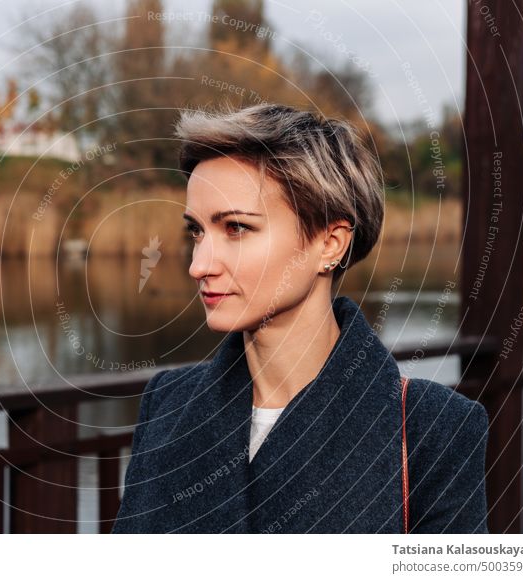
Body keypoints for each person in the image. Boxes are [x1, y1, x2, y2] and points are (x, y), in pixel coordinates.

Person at [111, 103, 489, 534]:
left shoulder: (431, 428)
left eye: (236, 228)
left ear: (330, 244)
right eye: (196, 230)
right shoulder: (167, 406)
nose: (199, 265)